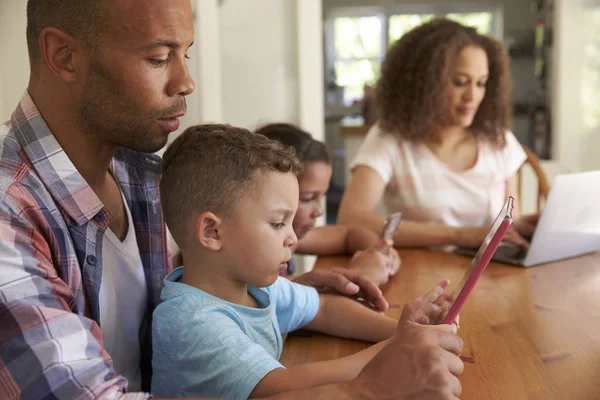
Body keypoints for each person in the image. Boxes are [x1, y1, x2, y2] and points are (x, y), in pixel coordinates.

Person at [0, 1, 463, 399]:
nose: (187, 82)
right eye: (160, 58)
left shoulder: (137, 168)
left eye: (186, 54)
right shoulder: (9, 215)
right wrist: (367, 388)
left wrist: (280, 286)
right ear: (63, 56)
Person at [152, 124, 454, 399]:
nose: (293, 239)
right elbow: (285, 387)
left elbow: (324, 308)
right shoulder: (194, 324)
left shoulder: (252, 287)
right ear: (212, 231)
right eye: (277, 223)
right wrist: (399, 348)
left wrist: (401, 331)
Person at [338, 18, 540, 250]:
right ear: (424, 83)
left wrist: (524, 226)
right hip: (421, 276)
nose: (472, 96)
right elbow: (351, 218)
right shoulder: (389, 139)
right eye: (460, 82)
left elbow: (509, 220)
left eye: (481, 83)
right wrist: (458, 235)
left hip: (493, 275)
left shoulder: (498, 140)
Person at [257, 123, 400, 286]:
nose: (319, 212)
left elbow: (349, 235)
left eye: (322, 196)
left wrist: (378, 251)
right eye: (308, 198)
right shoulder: (260, 253)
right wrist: (357, 275)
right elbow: (286, 293)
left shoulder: (291, 239)